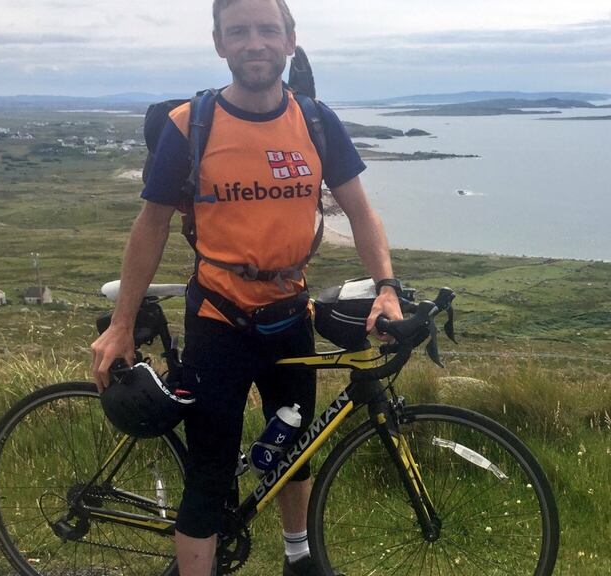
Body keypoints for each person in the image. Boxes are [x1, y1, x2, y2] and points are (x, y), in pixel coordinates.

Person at [89, 0, 402, 574]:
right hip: (218, 318)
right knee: (210, 474)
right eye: (239, 31)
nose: (254, 42)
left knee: (294, 450)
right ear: (219, 43)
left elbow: (361, 210)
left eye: (266, 29)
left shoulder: (314, 120)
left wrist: (386, 286)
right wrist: (121, 324)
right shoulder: (191, 124)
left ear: (289, 40)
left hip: (290, 316)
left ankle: (297, 557)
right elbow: (151, 224)